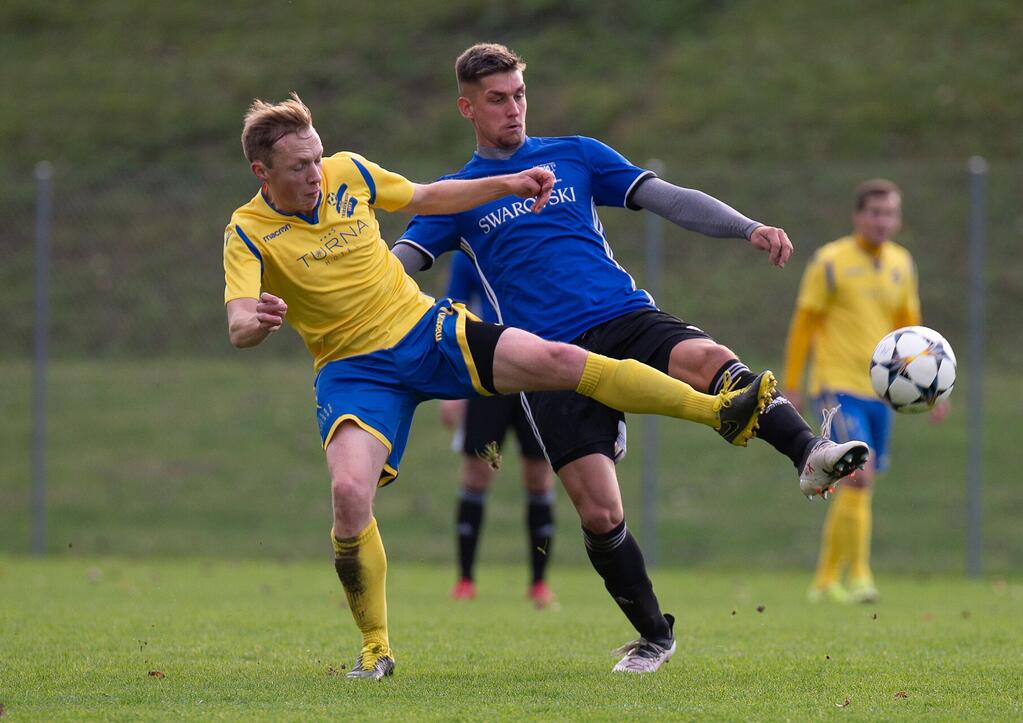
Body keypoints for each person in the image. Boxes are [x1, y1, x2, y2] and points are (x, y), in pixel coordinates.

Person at [223, 93, 779, 680]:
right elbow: (237, 324)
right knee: (349, 498)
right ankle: (374, 651)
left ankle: (718, 410)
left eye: (316, 158)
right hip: (355, 371)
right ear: (262, 173)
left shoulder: (348, 171)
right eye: (298, 167)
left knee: (562, 359)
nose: (315, 173)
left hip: (425, 331)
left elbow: (428, 198)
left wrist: (507, 184)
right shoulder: (247, 230)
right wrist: (255, 322)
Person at [392, 43, 869, 673]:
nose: (513, 109)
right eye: (497, 99)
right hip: (545, 359)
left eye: (519, 95)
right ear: (467, 107)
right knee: (600, 510)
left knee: (708, 357)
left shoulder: (576, 155)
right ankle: (654, 637)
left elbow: (667, 197)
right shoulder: (455, 194)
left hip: (621, 315)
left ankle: (809, 454)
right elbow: (399, 266)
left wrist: (747, 226)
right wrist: (339, 291)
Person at [781, 178, 948, 604]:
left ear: (898, 218)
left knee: (858, 485)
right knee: (859, 477)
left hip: (882, 394)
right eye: (874, 213)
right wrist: (795, 381)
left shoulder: (901, 263)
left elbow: (915, 333)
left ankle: (822, 581)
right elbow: (805, 323)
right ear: (858, 216)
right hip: (837, 387)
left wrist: (934, 390)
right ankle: (859, 576)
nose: (882, 221)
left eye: (889, 213)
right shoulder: (830, 261)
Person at [439, 251, 557, 608]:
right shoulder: (469, 252)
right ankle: (465, 580)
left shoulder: (540, 242)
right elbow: (452, 314)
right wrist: (452, 388)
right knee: (476, 475)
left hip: (540, 374)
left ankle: (539, 583)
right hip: (488, 375)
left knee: (539, 477)